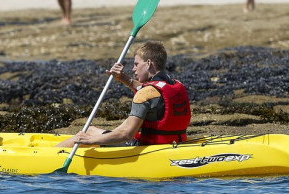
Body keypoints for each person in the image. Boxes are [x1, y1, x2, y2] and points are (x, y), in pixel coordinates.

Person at [56, 41, 191, 147]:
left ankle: (53, 154)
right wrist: (122, 77)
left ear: (149, 63)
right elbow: (150, 90)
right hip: (175, 142)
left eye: (136, 64)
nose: (133, 69)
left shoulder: (144, 94)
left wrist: (90, 140)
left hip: (149, 147)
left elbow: (127, 134)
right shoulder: (175, 85)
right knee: (94, 131)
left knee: (90, 131)